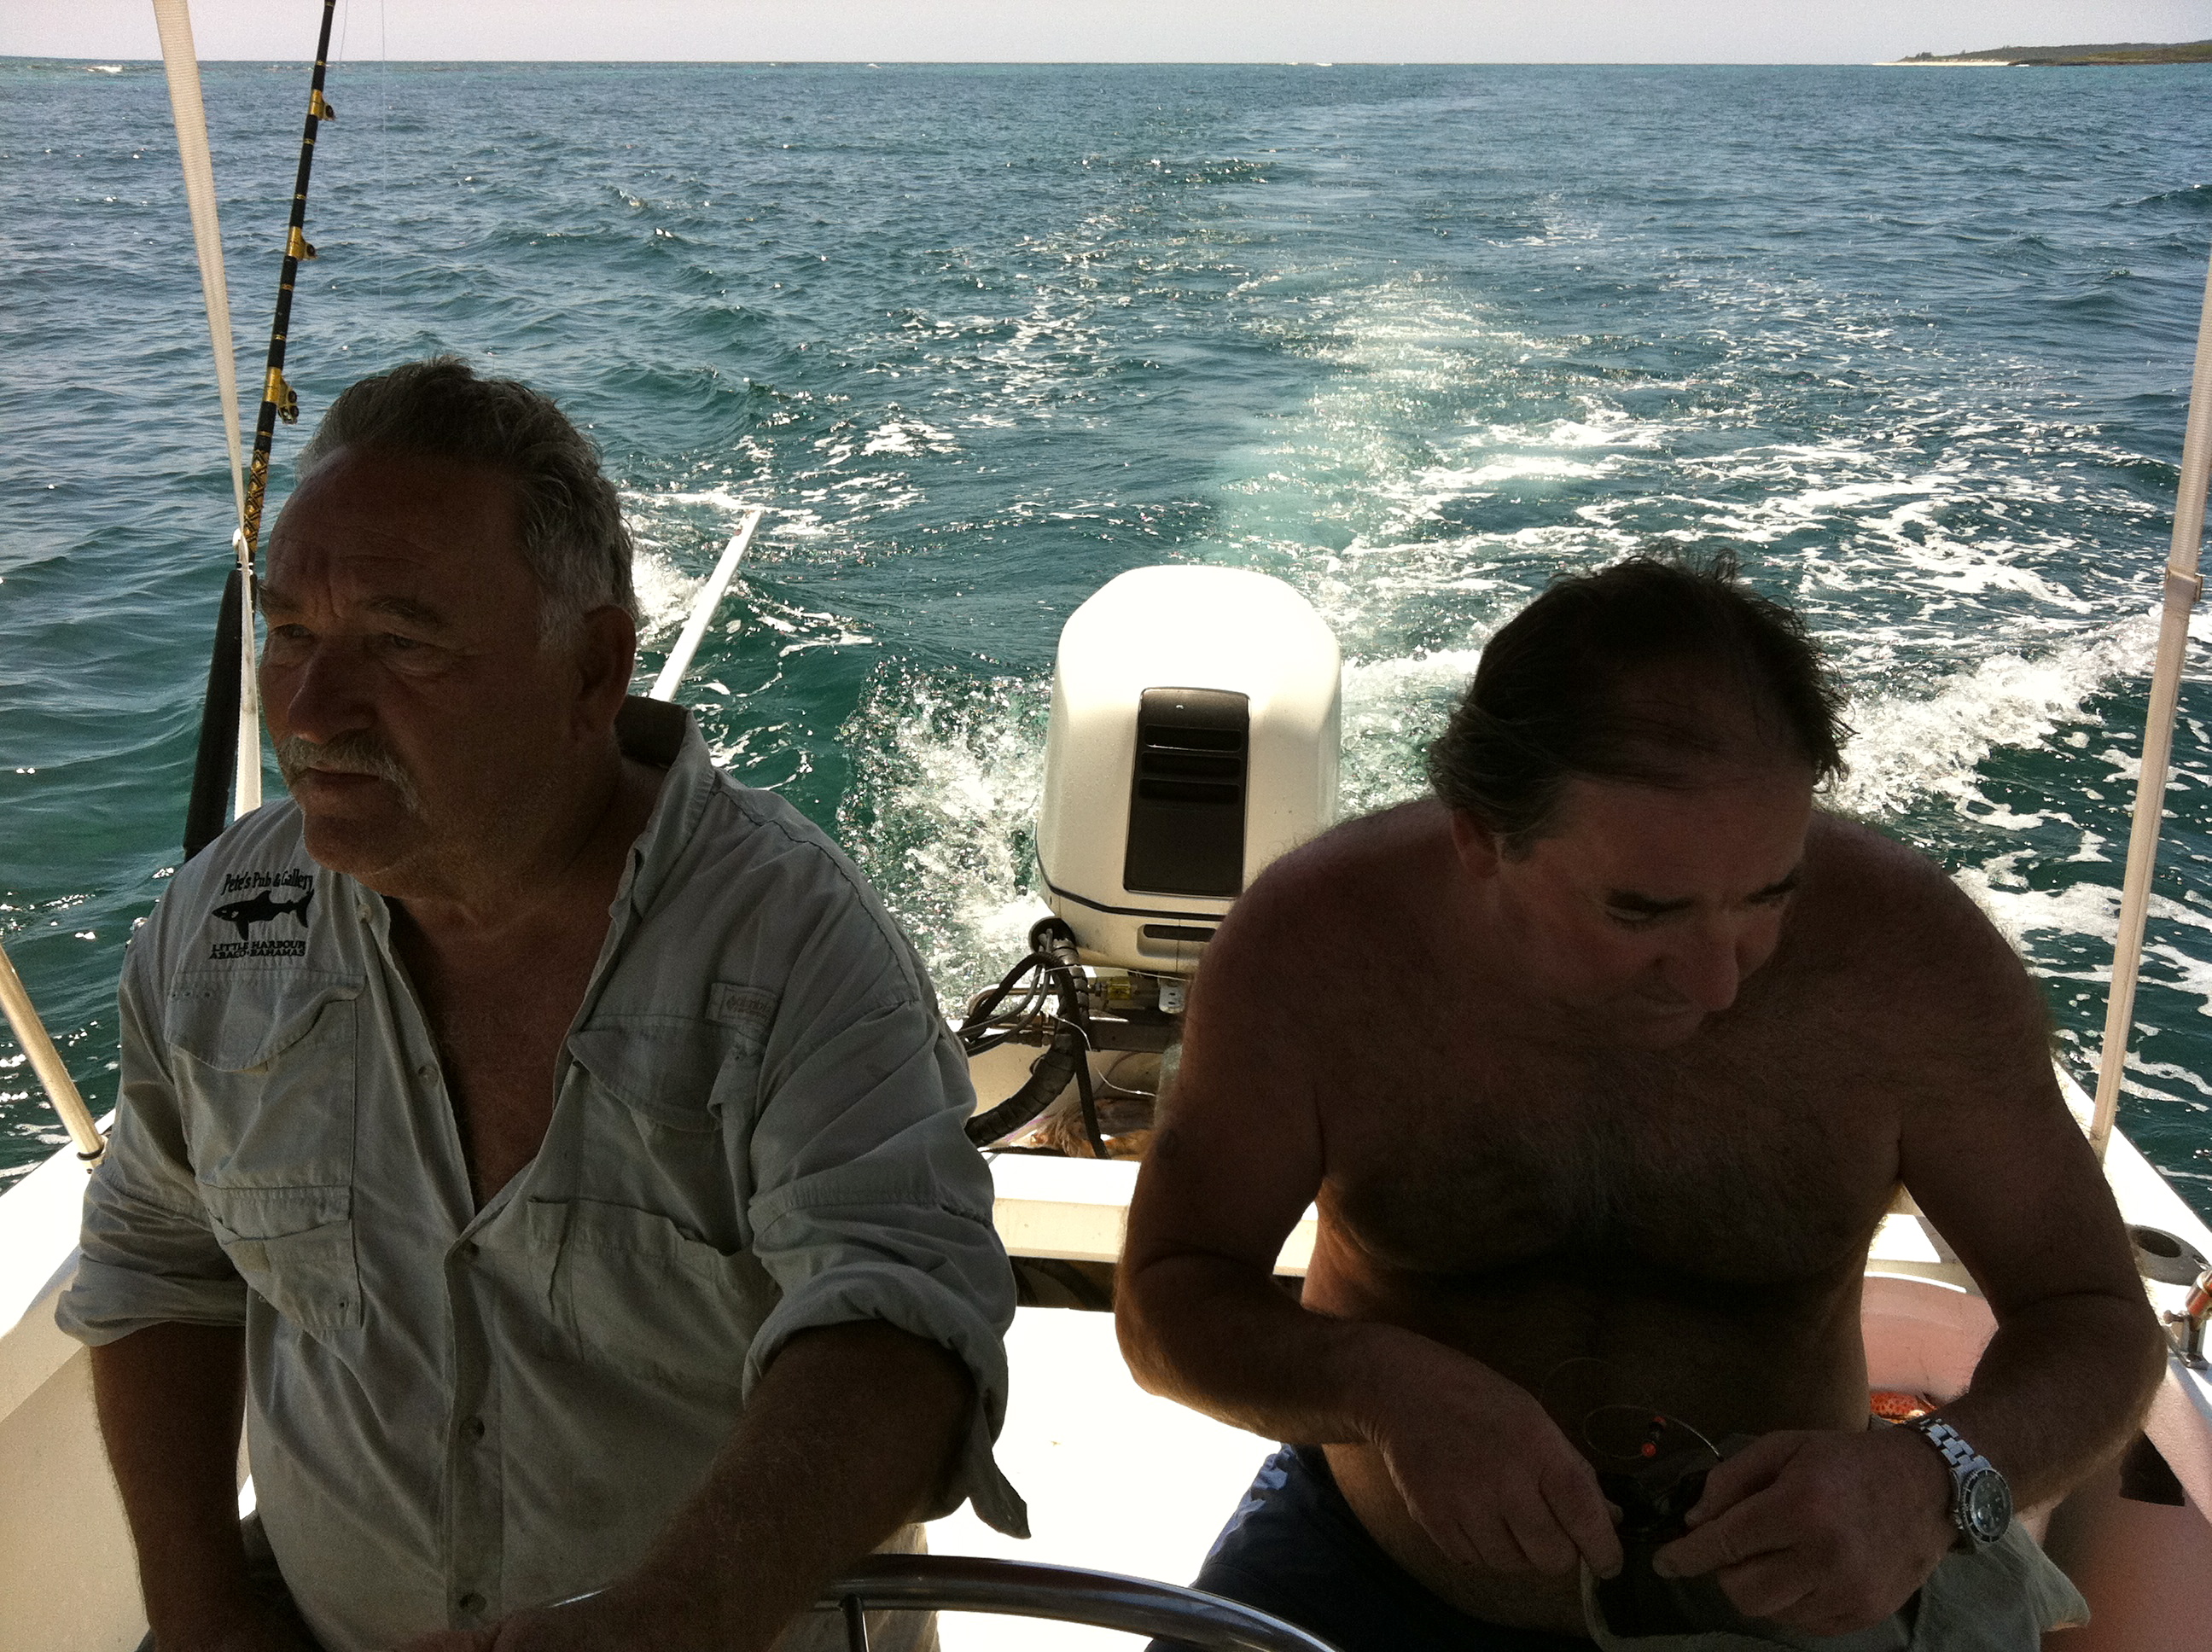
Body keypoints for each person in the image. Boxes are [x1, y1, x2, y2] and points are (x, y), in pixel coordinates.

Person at [58, 358, 1025, 1652]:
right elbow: (160, 1262)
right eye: (289, 632)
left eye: (402, 644)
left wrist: (672, 1621)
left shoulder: (793, 942)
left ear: (593, 669)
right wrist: (198, 1614)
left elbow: (900, 1324)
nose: (310, 709)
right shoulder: (217, 929)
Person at [1116, 555, 2164, 1651]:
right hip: (1369, 1561)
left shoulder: (1910, 967)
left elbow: (2097, 1319)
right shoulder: (1317, 951)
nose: (1719, 981)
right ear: (1482, 837)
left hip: (1790, 1605)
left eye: (1770, 893)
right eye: (1641, 910)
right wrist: (1381, 1389)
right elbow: (1167, 1300)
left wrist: (1932, 1478)